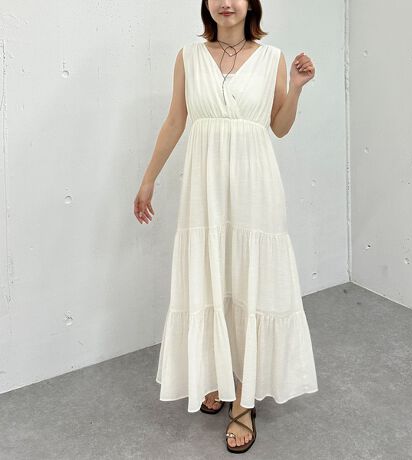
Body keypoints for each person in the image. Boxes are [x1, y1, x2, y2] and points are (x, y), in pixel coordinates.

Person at [134, 0, 318, 454]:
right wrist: (149, 178)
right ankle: (215, 374)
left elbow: (279, 127)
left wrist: (295, 88)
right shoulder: (188, 56)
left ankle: (244, 400)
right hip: (205, 187)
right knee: (212, 277)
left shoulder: (272, 58)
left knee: (249, 280)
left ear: (251, 4)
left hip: (256, 185)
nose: (226, 3)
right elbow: (175, 120)